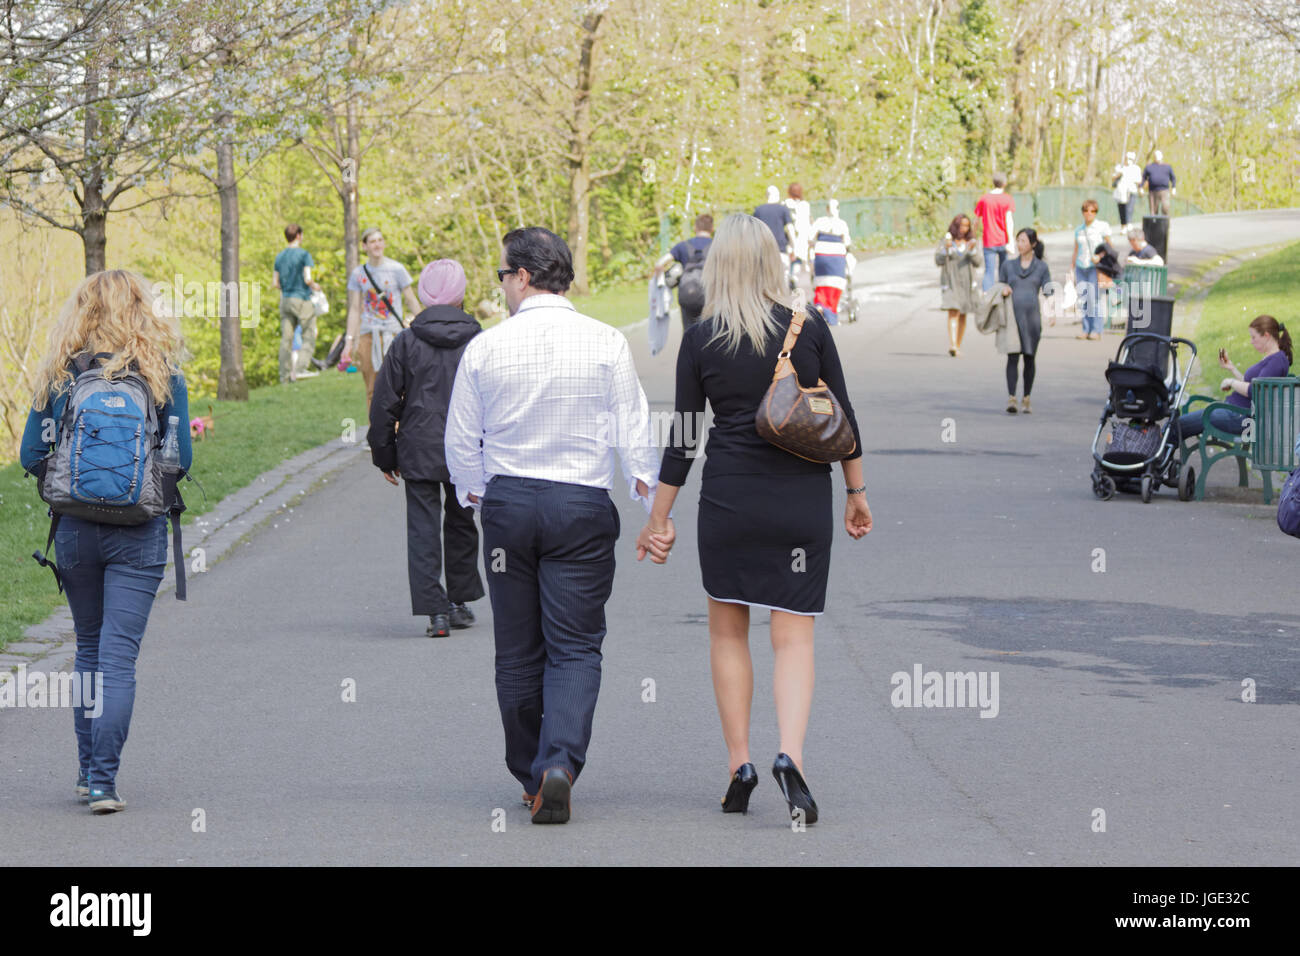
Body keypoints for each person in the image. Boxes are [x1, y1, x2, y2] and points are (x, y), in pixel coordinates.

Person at [636, 212, 873, 826]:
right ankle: (789, 756)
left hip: (729, 504)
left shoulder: (702, 338)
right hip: (799, 504)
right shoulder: (809, 325)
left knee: (727, 633)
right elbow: (840, 418)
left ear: (718, 266)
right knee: (793, 637)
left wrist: (657, 520)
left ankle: (740, 764)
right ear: (773, 263)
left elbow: (684, 440)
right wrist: (856, 493)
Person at [445, 226, 658, 825]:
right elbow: (632, 427)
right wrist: (650, 504)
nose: (501, 288)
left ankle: (529, 774)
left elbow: (461, 439)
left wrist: (478, 496)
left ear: (523, 276)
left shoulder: (485, 347)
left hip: (511, 504)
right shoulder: (605, 341)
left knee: (516, 650)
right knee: (576, 646)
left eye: (502, 276)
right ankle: (559, 762)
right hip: (581, 506)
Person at [19, 270, 192, 815]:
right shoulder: (163, 373)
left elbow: (29, 455)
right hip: (139, 532)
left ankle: (84, 772)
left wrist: (71, 479)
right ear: (142, 309)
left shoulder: (60, 375)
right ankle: (103, 783)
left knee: (88, 649)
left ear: (82, 311)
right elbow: (179, 460)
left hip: (74, 532)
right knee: (118, 659)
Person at [369, 259, 485, 639]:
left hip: (418, 446)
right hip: (466, 447)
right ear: (461, 294)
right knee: (461, 521)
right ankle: (458, 599)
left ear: (423, 294)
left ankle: (435, 611)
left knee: (422, 527)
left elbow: (384, 401)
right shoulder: (478, 339)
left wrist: (384, 453)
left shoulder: (407, 341)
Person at [1177, 315, 1293, 442]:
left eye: (1253, 337)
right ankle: (1161, 451)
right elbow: (1251, 384)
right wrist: (1231, 368)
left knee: (1178, 425)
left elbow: (1255, 391)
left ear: (1266, 336)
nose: (1251, 341)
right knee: (1179, 425)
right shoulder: (1273, 358)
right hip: (1236, 413)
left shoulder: (1276, 361)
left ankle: (1157, 452)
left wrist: (1231, 382)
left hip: (1241, 417)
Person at [341, 227, 420, 409]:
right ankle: (376, 434)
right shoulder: (358, 274)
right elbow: (354, 308)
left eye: (379, 240)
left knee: (399, 387)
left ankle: (399, 432)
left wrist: (424, 324)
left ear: (384, 243)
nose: (377, 244)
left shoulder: (396, 269)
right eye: (372, 241)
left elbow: (410, 299)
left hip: (394, 335)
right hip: (368, 335)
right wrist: (349, 341)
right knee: (372, 388)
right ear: (365, 246)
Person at [998, 227, 1055, 414]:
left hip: (1032, 319)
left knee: (1029, 358)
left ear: (1033, 244)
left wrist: (1051, 311)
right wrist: (1004, 289)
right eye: (1018, 240)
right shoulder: (1007, 265)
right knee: (1012, 356)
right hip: (1012, 318)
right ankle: (1012, 398)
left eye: (1023, 241)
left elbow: (1048, 291)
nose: (1020, 244)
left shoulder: (1041, 267)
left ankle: (1027, 397)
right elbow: (1000, 285)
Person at [272, 224, 322, 383]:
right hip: (301, 299)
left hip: (285, 300)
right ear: (299, 235)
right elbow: (307, 278)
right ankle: (300, 369)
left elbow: (275, 283)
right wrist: (315, 286)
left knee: (286, 339)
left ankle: (284, 376)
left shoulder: (279, 257)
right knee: (309, 333)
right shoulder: (304, 255)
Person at [652, 214, 713, 331]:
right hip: (709, 294)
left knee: (688, 331)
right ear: (712, 228)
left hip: (687, 294)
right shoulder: (716, 245)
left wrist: (660, 284)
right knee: (710, 331)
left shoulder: (682, 246)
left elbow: (659, 264)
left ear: (695, 228)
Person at [935, 212, 981, 356]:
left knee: (963, 314)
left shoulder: (971, 241)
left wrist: (972, 250)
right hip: (951, 280)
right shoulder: (946, 241)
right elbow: (938, 260)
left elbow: (978, 262)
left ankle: (958, 344)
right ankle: (953, 344)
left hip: (966, 281)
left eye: (967, 226)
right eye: (961, 225)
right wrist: (946, 249)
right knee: (952, 311)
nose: (964, 229)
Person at [1073, 200, 1110, 341]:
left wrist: (1099, 256)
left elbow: (1109, 248)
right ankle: (1085, 329)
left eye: (1092, 211)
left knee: (1094, 298)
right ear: (1082, 212)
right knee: (1084, 298)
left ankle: (1096, 329)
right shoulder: (1079, 230)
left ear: (1096, 213)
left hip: (1095, 267)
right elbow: (1076, 249)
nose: (1089, 214)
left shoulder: (1101, 227)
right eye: (1086, 210)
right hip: (1081, 266)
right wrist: (1071, 268)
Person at [809, 199, 852, 321]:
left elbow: (810, 237)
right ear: (838, 209)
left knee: (822, 283)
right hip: (837, 256)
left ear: (827, 209)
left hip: (821, 254)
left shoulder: (820, 221)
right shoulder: (842, 224)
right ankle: (831, 311)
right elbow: (847, 242)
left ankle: (820, 305)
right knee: (835, 284)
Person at [974, 172, 1015, 291]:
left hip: (988, 241)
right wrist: (1011, 241)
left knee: (989, 272)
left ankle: (988, 297)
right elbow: (1009, 221)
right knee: (1004, 271)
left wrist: (972, 236)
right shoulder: (1007, 199)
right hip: (1003, 240)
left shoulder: (984, 199)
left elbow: (976, 220)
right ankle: (1003, 295)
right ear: (1005, 183)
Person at [753, 185, 796, 266]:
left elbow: (753, 232)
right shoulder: (783, 209)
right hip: (780, 250)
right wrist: (794, 247)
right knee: (783, 276)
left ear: (767, 195)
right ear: (778, 195)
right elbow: (790, 229)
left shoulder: (758, 210)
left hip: (763, 250)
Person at [784, 182, 812, 284]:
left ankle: (789, 278)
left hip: (789, 236)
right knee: (798, 260)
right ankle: (794, 278)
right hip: (802, 237)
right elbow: (808, 223)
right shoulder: (805, 205)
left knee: (789, 259)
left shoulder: (785, 204)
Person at [1111, 152, 1142, 226]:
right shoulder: (1120, 167)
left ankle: (1129, 223)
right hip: (1121, 192)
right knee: (1122, 208)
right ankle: (1123, 225)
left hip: (1131, 191)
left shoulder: (1136, 168)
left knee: (1129, 208)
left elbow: (1139, 180)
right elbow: (1113, 178)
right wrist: (1119, 174)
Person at [1141, 150, 1177, 215]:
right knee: (1153, 211)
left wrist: (1174, 188)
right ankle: (1154, 224)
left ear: (1162, 156)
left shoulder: (1167, 167)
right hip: (1152, 191)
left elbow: (1173, 178)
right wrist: (1141, 187)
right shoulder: (1149, 167)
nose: (1157, 157)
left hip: (1164, 191)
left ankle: (1165, 224)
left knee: (1165, 207)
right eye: (1155, 155)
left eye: (1158, 155)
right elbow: (1143, 178)